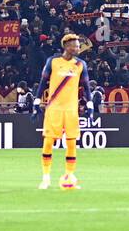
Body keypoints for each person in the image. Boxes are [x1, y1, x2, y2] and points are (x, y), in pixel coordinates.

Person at [37, 33, 91, 190]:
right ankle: (46, 177)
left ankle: (70, 175)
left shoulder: (80, 65)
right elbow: (42, 82)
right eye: (76, 45)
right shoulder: (53, 62)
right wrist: (36, 100)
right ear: (67, 46)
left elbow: (86, 87)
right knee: (48, 142)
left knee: (71, 143)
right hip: (54, 107)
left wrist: (90, 105)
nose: (78, 48)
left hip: (71, 109)